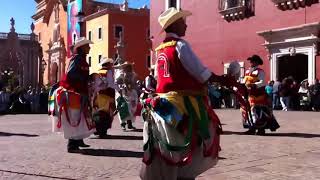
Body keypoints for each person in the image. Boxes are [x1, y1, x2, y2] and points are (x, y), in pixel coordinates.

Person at [140, 7, 237, 180]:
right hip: (182, 102)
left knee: (168, 144)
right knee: (201, 134)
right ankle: (185, 174)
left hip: (163, 103)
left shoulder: (160, 49)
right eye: (183, 23)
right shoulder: (180, 45)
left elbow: (158, 78)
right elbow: (200, 72)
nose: (186, 26)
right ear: (175, 24)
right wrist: (222, 80)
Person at [56, 37, 95, 153]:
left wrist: (89, 78)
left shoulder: (82, 59)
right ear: (81, 48)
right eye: (87, 46)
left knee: (82, 117)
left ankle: (79, 140)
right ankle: (71, 144)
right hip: (75, 93)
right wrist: (85, 78)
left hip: (81, 92)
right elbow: (70, 75)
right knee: (75, 117)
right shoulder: (76, 59)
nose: (89, 47)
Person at [241, 55, 280, 135]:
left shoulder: (260, 71)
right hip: (250, 94)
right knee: (249, 111)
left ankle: (261, 129)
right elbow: (244, 81)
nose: (251, 63)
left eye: (253, 61)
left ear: (257, 62)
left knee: (260, 111)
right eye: (250, 61)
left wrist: (253, 85)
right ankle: (251, 128)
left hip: (259, 95)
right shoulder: (247, 72)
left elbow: (262, 82)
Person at [90, 57, 118, 137]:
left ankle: (98, 129)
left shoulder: (99, 72)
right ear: (108, 64)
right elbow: (110, 84)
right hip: (107, 95)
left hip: (99, 95)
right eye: (111, 64)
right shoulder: (108, 72)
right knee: (106, 114)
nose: (112, 66)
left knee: (99, 113)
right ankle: (103, 131)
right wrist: (118, 89)